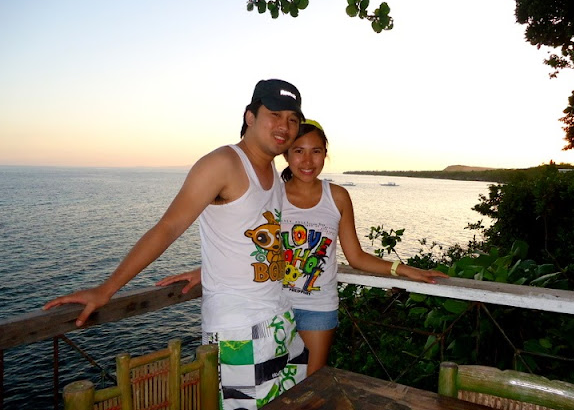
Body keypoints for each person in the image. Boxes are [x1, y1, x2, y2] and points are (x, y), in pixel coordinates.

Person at [43, 79, 309, 410]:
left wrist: (207, 267)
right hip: (239, 331)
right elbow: (167, 227)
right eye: (274, 114)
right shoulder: (222, 164)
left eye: (292, 119)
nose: (284, 126)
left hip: (278, 318)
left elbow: (252, 235)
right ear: (249, 116)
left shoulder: (272, 172)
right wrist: (106, 290)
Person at [156, 119, 447, 375]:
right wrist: (204, 270)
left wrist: (405, 270)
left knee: (310, 385)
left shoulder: (338, 197)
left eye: (316, 151)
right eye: (298, 151)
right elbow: (247, 247)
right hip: (271, 306)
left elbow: (356, 256)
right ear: (286, 155)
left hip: (318, 309)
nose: (307, 161)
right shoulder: (271, 194)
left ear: (325, 155)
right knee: (274, 390)